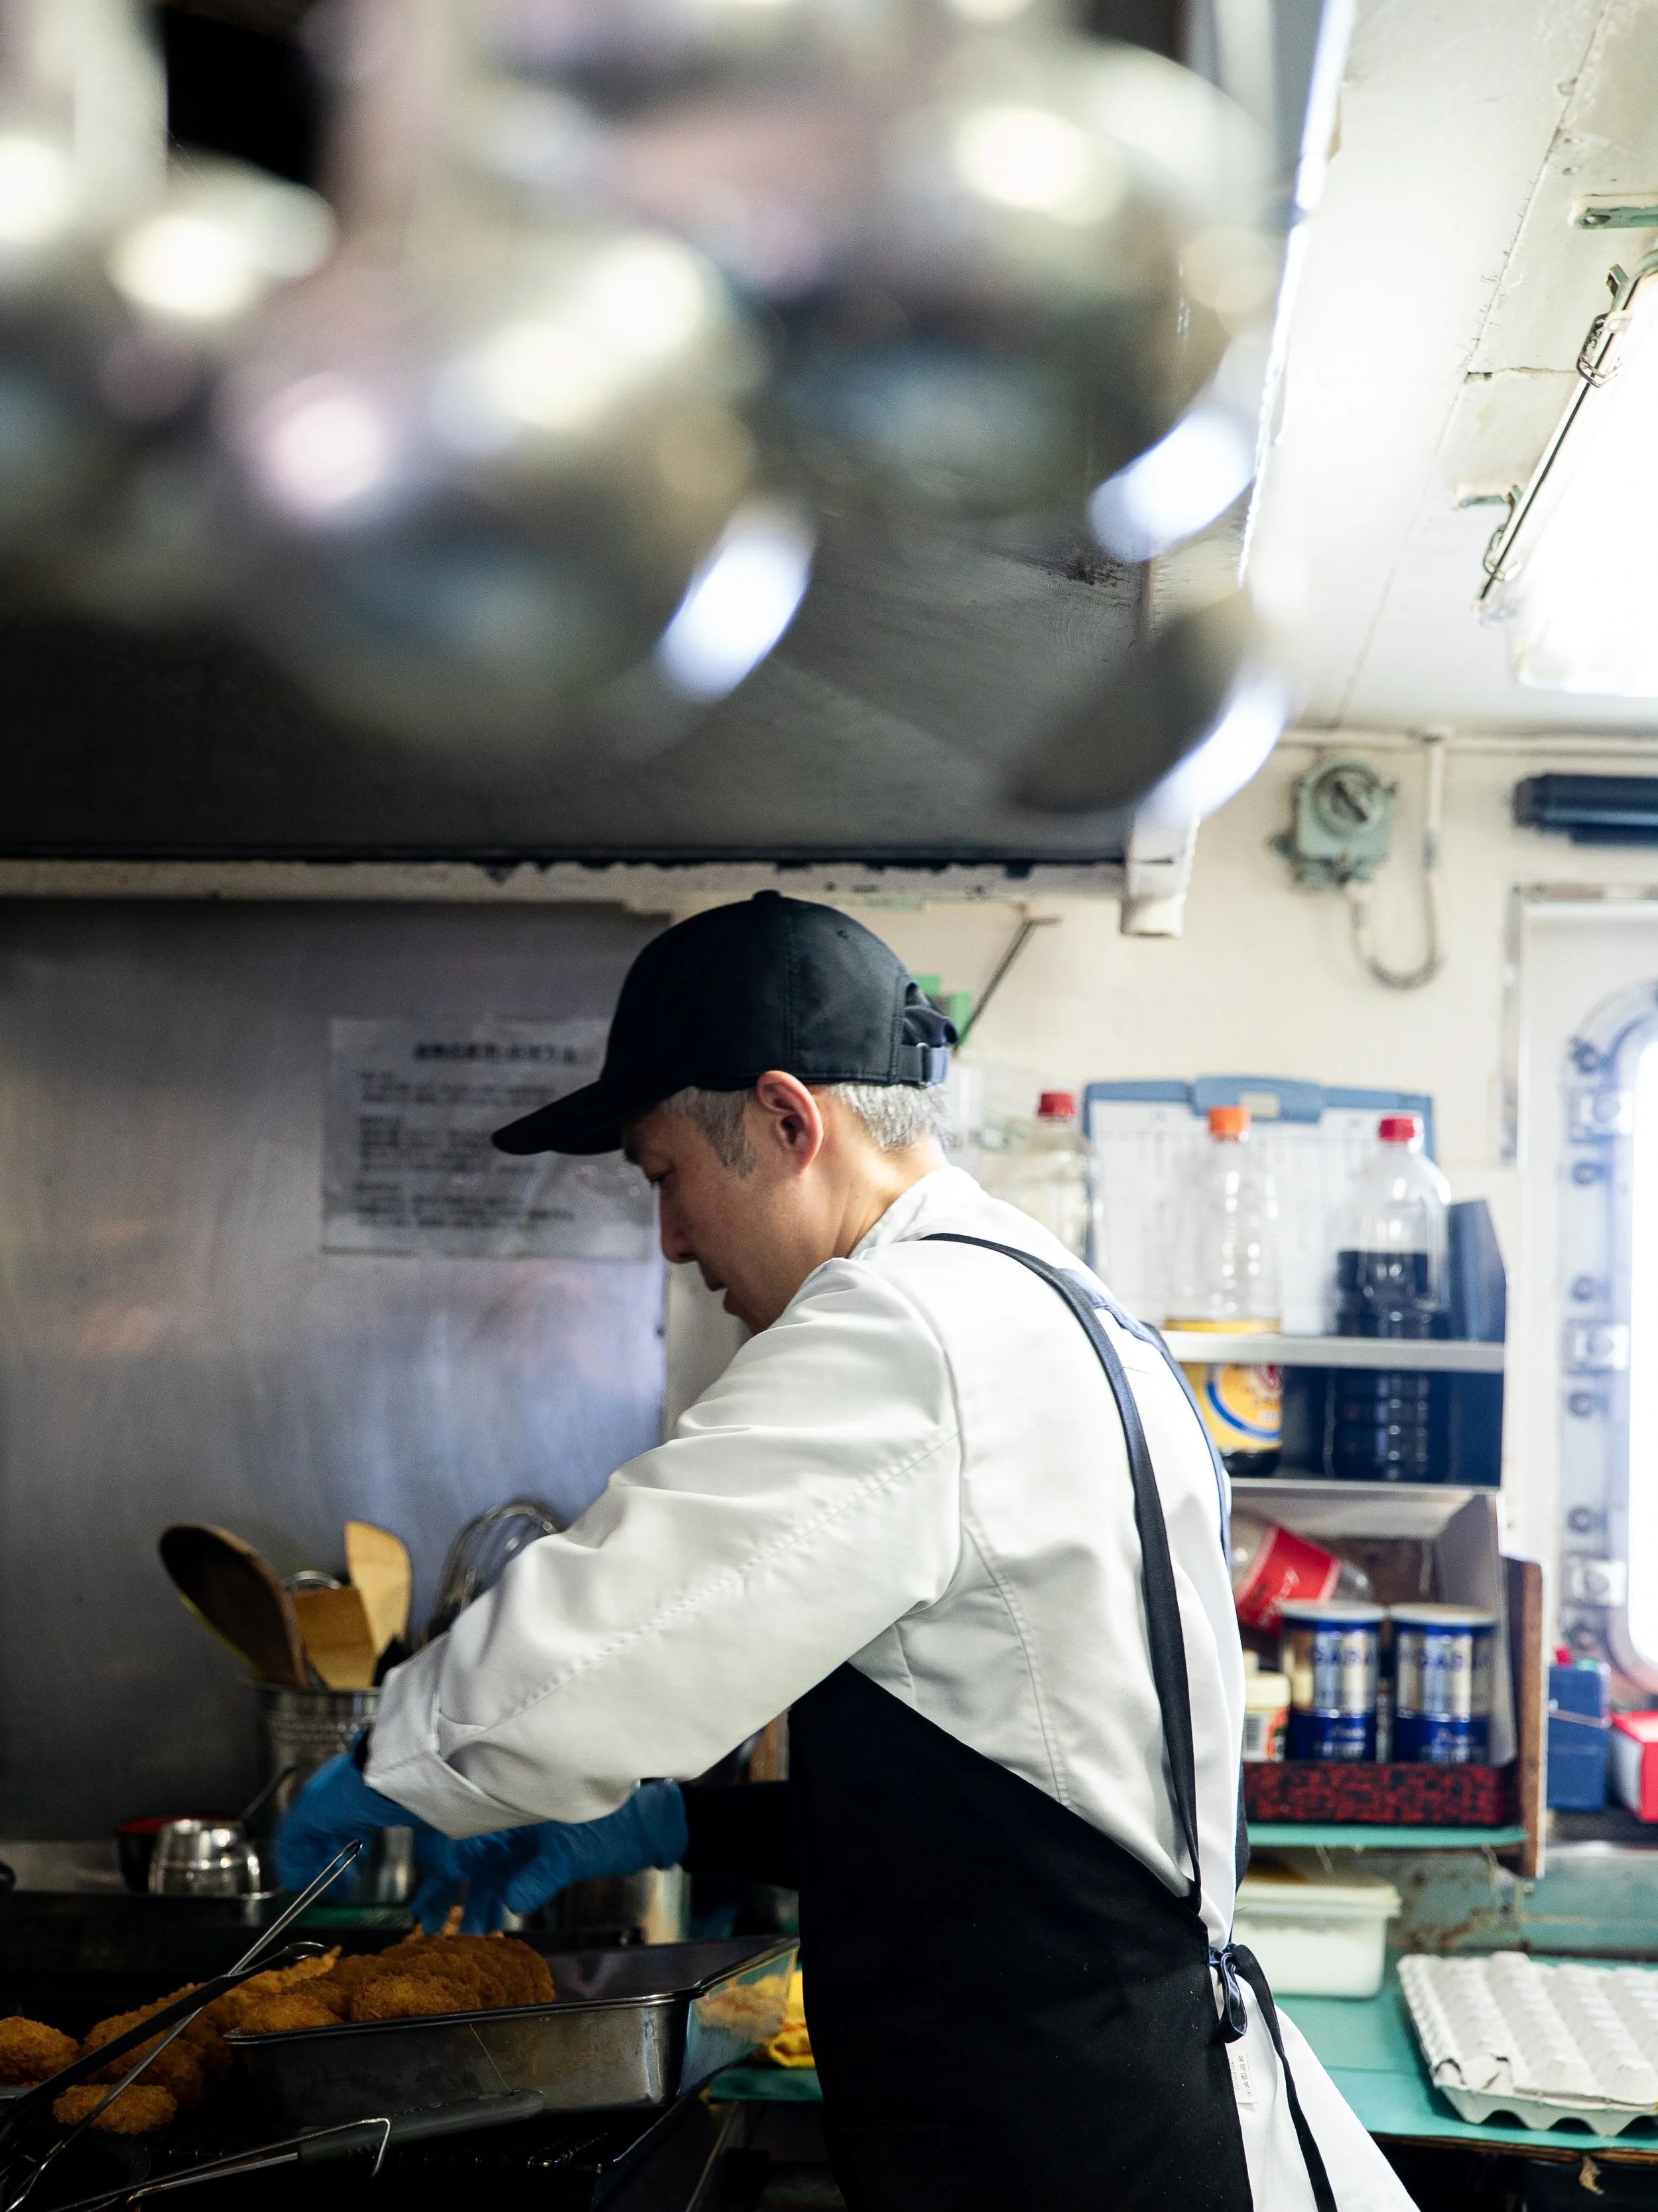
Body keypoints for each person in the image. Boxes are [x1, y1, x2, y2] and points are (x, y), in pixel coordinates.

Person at [279, 891, 1413, 2212]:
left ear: (783, 1120)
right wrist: (668, 1819)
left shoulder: (906, 1329)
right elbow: (1010, 1790)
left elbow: (613, 1623)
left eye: (664, 1179)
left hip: (1068, 2140)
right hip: (1117, 2079)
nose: (671, 1240)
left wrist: (392, 1758)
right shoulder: (1046, 1295)